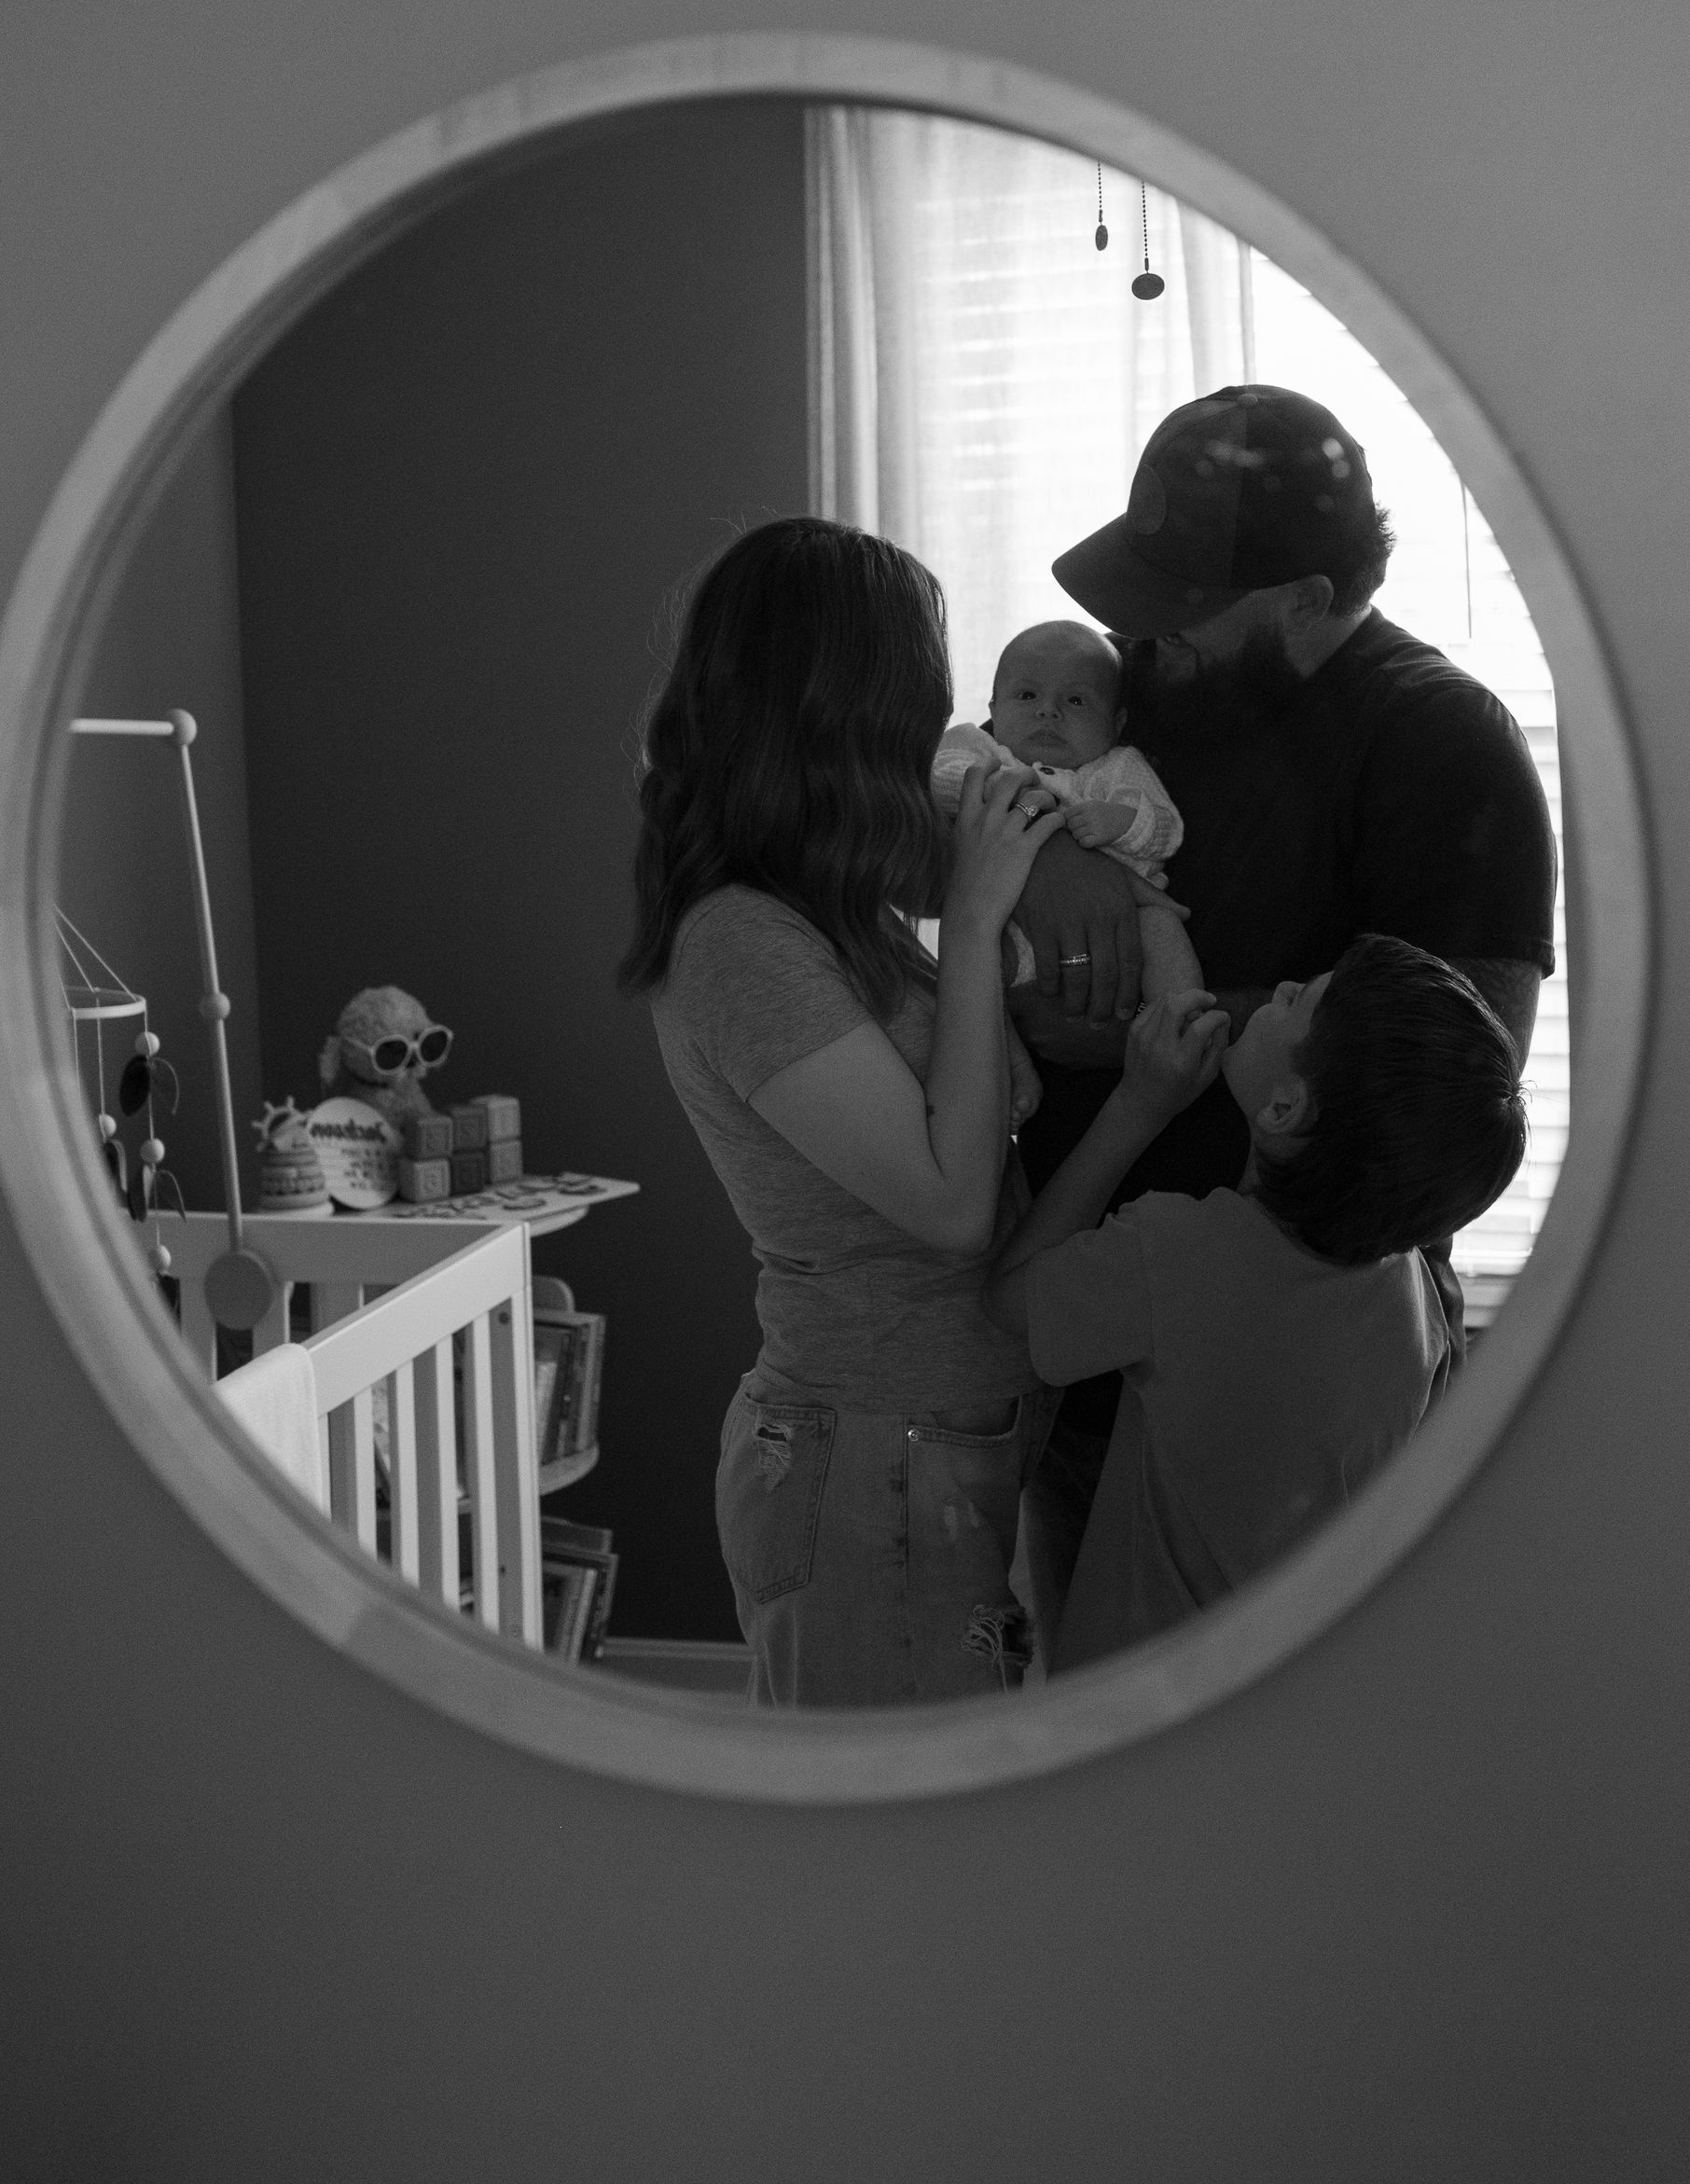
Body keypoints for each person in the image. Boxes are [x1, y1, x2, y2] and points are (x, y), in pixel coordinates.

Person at [1006, 386, 1558, 1646]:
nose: (1137, 635)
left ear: (1307, 601)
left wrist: (1164, 1024)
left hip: (1296, 1392)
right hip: (1089, 1340)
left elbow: (1467, 1076)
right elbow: (1004, 769)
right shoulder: (1157, 686)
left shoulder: (1442, 741)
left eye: (1182, 607)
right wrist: (1047, 857)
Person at [619, 516, 1067, 1708]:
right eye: (921, 697)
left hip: (948, 1435)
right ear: (851, 714)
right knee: (891, 1874)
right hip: (874, 1454)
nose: (941, 726)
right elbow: (951, 1204)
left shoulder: (837, 904)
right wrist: (971, 923)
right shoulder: (738, 941)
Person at [985, 941, 1527, 1667]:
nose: (1280, 983)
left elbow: (1006, 1300)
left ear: (1284, 1106)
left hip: (1137, 1700)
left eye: (1297, 999)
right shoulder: (1412, 1294)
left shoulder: (1177, 1255)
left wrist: (1136, 1105)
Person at [931, 617, 1200, 1002]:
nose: (1048, 712)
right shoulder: (982, 749)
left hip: (1120, 928)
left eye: (1075, 700)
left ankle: (1179, 1025)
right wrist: (996, 787)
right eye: (1027, 696)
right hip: (1007, 925)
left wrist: (1121, 822)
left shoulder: (1119, 767)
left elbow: (1165, 829)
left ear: (1116, 722)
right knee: (972, 968)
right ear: (994, 707)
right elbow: (941, 776)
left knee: (1161, 925)